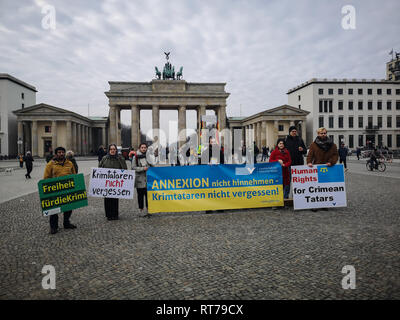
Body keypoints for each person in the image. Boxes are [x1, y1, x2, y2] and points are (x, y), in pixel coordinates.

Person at [43, 146, 77, 234]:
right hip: (55, 190)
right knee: (54, 209)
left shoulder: (69, 163)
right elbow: (46, 177)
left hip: (67, 189)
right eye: (59, 152)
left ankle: (66, 222)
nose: (61, 154)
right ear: (56, 154)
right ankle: (54, 227)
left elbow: (74, 174)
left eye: (62, 152)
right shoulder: (50, 164)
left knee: (69, 207)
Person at [306, 128, 338, 212]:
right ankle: (314, 205)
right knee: (316, 188)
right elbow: (310, 155)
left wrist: (331, 162)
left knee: (325, 187)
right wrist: (309, 162)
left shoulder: (332, 145)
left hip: (328, 168)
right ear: (318, 134)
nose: (323, 134)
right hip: (317, 167)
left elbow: (335, 155)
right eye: (321, 133)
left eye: (324, 133)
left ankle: (324, 204)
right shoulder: (313, 144)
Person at [99, 144, 127, 221]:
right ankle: (109, 215)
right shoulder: (104, 158)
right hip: (107, 182)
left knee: (115, 199)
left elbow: (124, 169)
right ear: (109, 150)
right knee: (107, 199)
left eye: (114, 149)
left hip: (116, 183)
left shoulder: (120, 159)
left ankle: (115, 214)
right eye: (111, 149)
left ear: (116, 150)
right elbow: (99, 168)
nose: (112, 150)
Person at [132, 143, 153, 217]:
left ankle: (148, 210)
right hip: (140, 179)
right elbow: (133, 167)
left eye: (145, 147)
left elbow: (153, 166)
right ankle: (140, 210)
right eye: (142, 147)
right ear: (139, 148)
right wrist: (142, 168)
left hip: (148, 179)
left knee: (148, 196)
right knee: (140, 196)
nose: (144, 149)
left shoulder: (149, 156)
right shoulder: (136, 157)